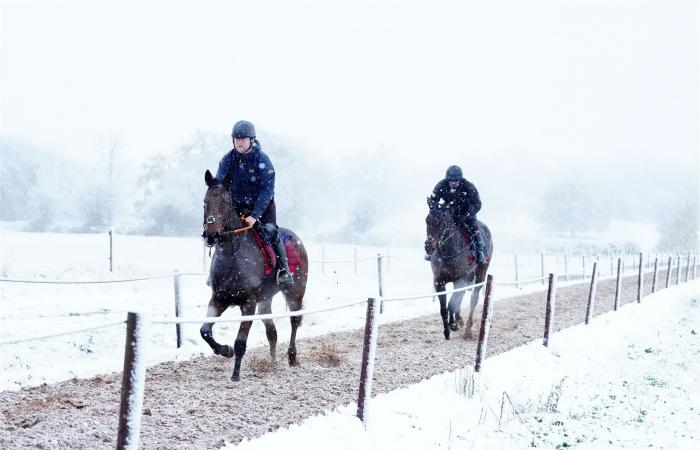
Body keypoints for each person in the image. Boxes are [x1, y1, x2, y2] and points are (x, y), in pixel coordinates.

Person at [215, 120, 294, 285]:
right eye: (236, 139)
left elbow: (267, 191)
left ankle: (283, 270)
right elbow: (219, 186)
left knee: (270, 231)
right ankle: (215, 273)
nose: (239, 142)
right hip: (236, 207)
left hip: (262, 207)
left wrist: (254, 215)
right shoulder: (227, 160)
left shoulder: (262, 160)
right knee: (222, 233)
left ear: (251, 140)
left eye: (243, 139)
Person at [426, 165, 485, 264]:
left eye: (456, 181)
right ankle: (430, 250)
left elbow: (477, 204)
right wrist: (438, 210)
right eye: (451, 181)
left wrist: (466, 215)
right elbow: (433, 201)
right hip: (449, 213)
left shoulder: (468, 186)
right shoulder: (441, 185)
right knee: (435, 225)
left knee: (473, 227)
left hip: (466, 214)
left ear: (460, 180)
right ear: (447, 180)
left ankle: (480, 251)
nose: (453, 184)